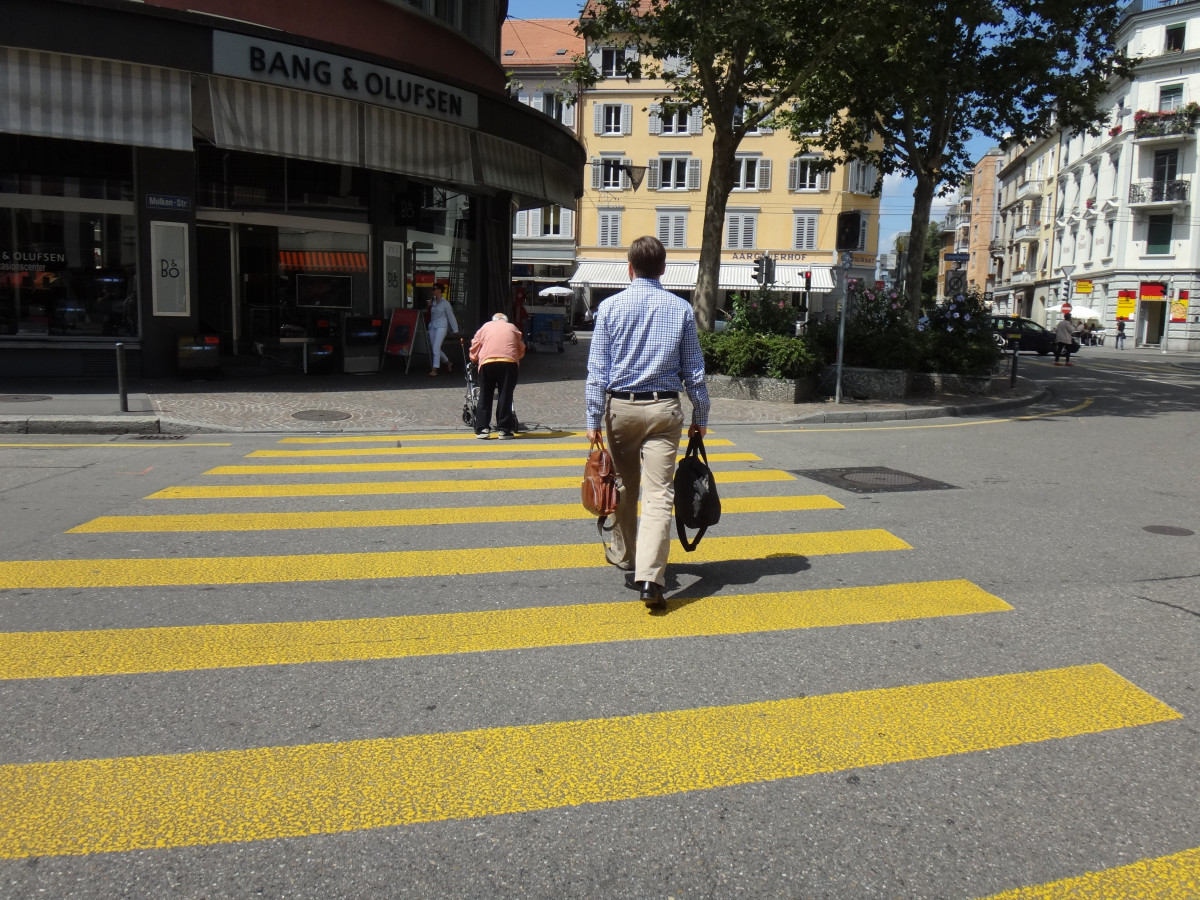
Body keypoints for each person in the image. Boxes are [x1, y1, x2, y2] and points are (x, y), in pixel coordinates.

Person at [585, 235, 710, 611]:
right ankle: (650, 578)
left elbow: (597, 371)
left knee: (625, 485)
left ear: (629, 267)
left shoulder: (609, 308)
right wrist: (701, 417)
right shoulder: (681, 309)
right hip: (663, 411)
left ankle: (626, 554)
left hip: (620, 409)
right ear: (664, 269)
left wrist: (592, 417)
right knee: (660, 494)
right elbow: (695, 372)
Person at [469, 312, 525, 439]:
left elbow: (475, 346)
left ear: (494, 320)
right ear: (505, 320)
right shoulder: (513, 328)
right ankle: (504, 430)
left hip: (487, 362)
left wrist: (473, 359)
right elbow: (520, 349)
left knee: (485, 394)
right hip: (508, 362)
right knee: (505, 394)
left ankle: (483, 429)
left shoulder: (485, 327)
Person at [427, 283, 458, 376]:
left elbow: (451, 317)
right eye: (432, 289)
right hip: (433, 326)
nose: (433, 291)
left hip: (442, 326)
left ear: (439, 290)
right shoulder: (433, 302)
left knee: (436, 347)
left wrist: (455, 330)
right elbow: (430, 314)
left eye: (434, 289)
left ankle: (435, 369)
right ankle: (448, 362)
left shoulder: (446, 303)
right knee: (435, 348)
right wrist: (429, 306)